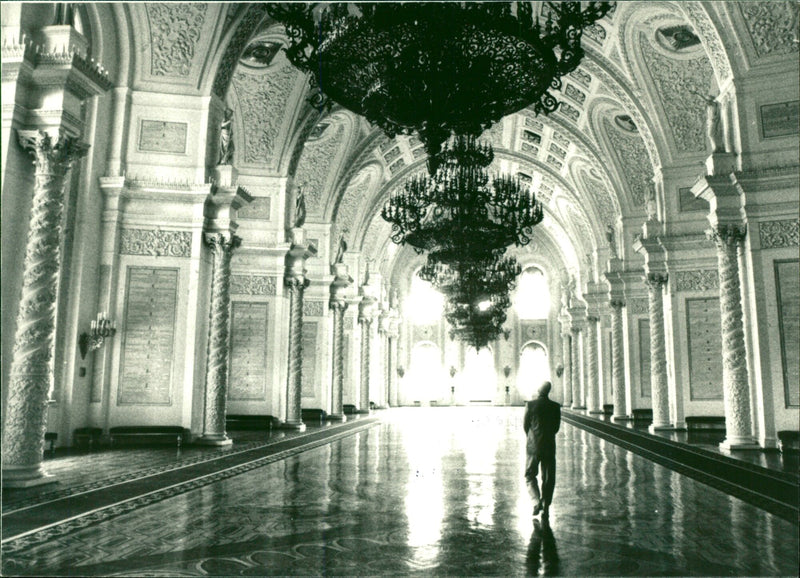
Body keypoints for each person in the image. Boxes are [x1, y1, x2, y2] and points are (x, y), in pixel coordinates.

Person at [524, 381, 561, 518]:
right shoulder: (555, 406)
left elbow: (525, 426)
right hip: (549, 445)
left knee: (530, 474)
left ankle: (535, 501)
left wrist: (532, 438)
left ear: (539, 390)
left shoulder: (530, 405)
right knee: (548, 477)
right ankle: (545, 503)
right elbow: (556, 428)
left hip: (533, 446)